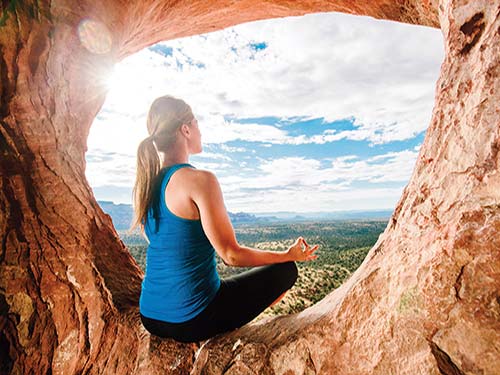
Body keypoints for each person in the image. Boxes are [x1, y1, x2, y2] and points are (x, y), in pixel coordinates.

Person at [130, 95, 320, 343]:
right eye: (196, 123)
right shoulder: (200, 180)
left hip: (150, 316)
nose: (200, 129)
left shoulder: (147, 185)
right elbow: (231, 255)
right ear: (185, 129)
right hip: (191, 320)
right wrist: (288, 254)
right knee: (286, 271)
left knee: (228, 284)